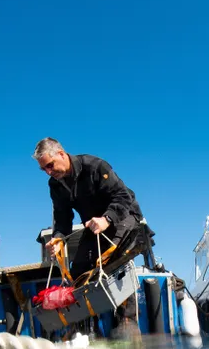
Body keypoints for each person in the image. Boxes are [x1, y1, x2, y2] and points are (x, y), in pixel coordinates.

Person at [33, 137, 149, 336]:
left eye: (50, 166)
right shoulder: (55, 185)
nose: (49, 172)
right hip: (93, 227)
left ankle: (126, 323)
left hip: (124, 216)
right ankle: (86, 328)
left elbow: (123, 196)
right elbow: (62, 218)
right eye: (44, 169)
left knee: (114, 261)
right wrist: (58, 239)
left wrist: (107, 219)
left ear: (61, 154)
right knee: (78, 270)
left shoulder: (95, 166)